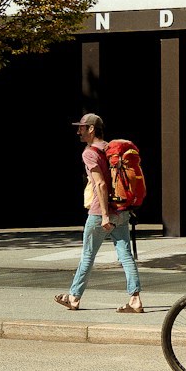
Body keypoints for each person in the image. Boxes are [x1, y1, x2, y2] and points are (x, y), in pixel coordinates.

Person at [54, 113, 144, 314]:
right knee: (125, 255)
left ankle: (74, 298)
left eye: (82, 127)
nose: (79, 131)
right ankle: (135, 299)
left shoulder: (89, 153)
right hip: (121, 211)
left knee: (87, 255)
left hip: (100, 213)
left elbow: (102, 184)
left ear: (91, 129)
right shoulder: (111, 149)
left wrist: (104, 215)